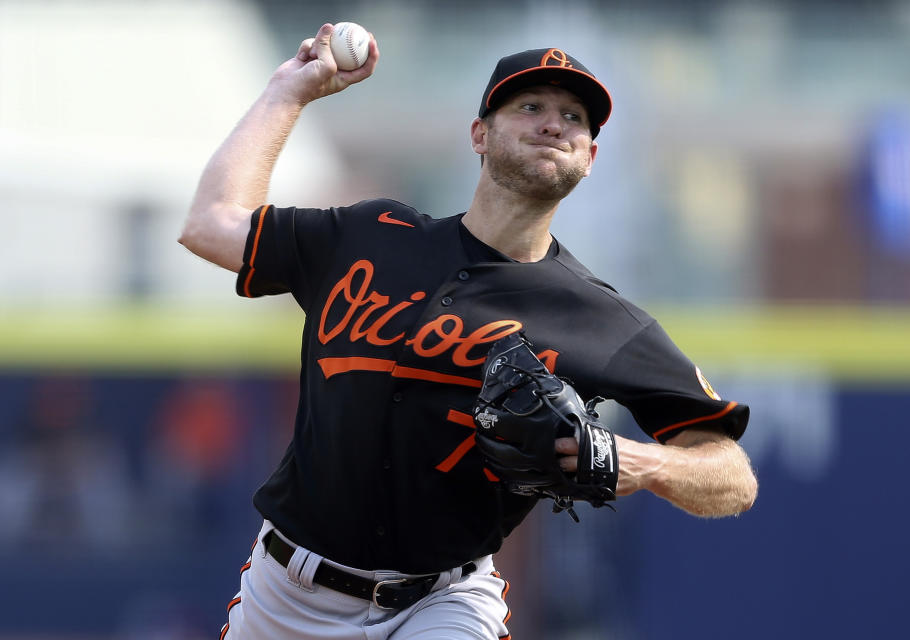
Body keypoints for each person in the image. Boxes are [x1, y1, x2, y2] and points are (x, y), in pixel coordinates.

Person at [180, 23, 757, 640]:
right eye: (529, 106)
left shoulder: (598, 316)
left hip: (443, 602)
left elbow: (733, 476)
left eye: (574, 117)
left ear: (590, 158)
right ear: (479, 135)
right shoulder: (369, 235)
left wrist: (641, 462)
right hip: (288, 595)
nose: (554, 123)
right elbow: (210, 225)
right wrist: (286, 95)